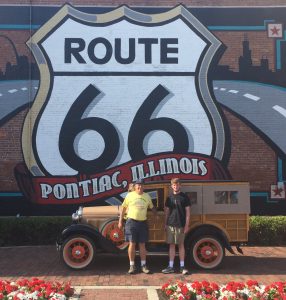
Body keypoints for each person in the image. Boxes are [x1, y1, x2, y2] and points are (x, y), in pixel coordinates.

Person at [118, 179, 156, 274]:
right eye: (138, 185)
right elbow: (123, 208)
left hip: (143, 222)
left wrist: (158, 213)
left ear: (144, 186)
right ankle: (132, 266)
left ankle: (143, 265)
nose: (140, 187)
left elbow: (152, 207)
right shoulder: (129, 195)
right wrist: (120, 221)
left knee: (142, 244)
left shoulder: (147, 196)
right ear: (135, 186)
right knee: (132, 243)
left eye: (141, 185)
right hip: (131, 222)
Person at [162, 178, 191, 275]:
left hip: (181, 224)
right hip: (171, 224)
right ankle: (171, 266)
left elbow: (188, 213)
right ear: (171, 186)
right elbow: (166, 212)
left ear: (180, 185)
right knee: (171, 245)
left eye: (177, 184)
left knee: (181, 245)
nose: (176, 186)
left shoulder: (184, 197)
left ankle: (182, 266)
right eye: (174, 185)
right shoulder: (169, 198)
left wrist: (187, 225)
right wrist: (165, 224)